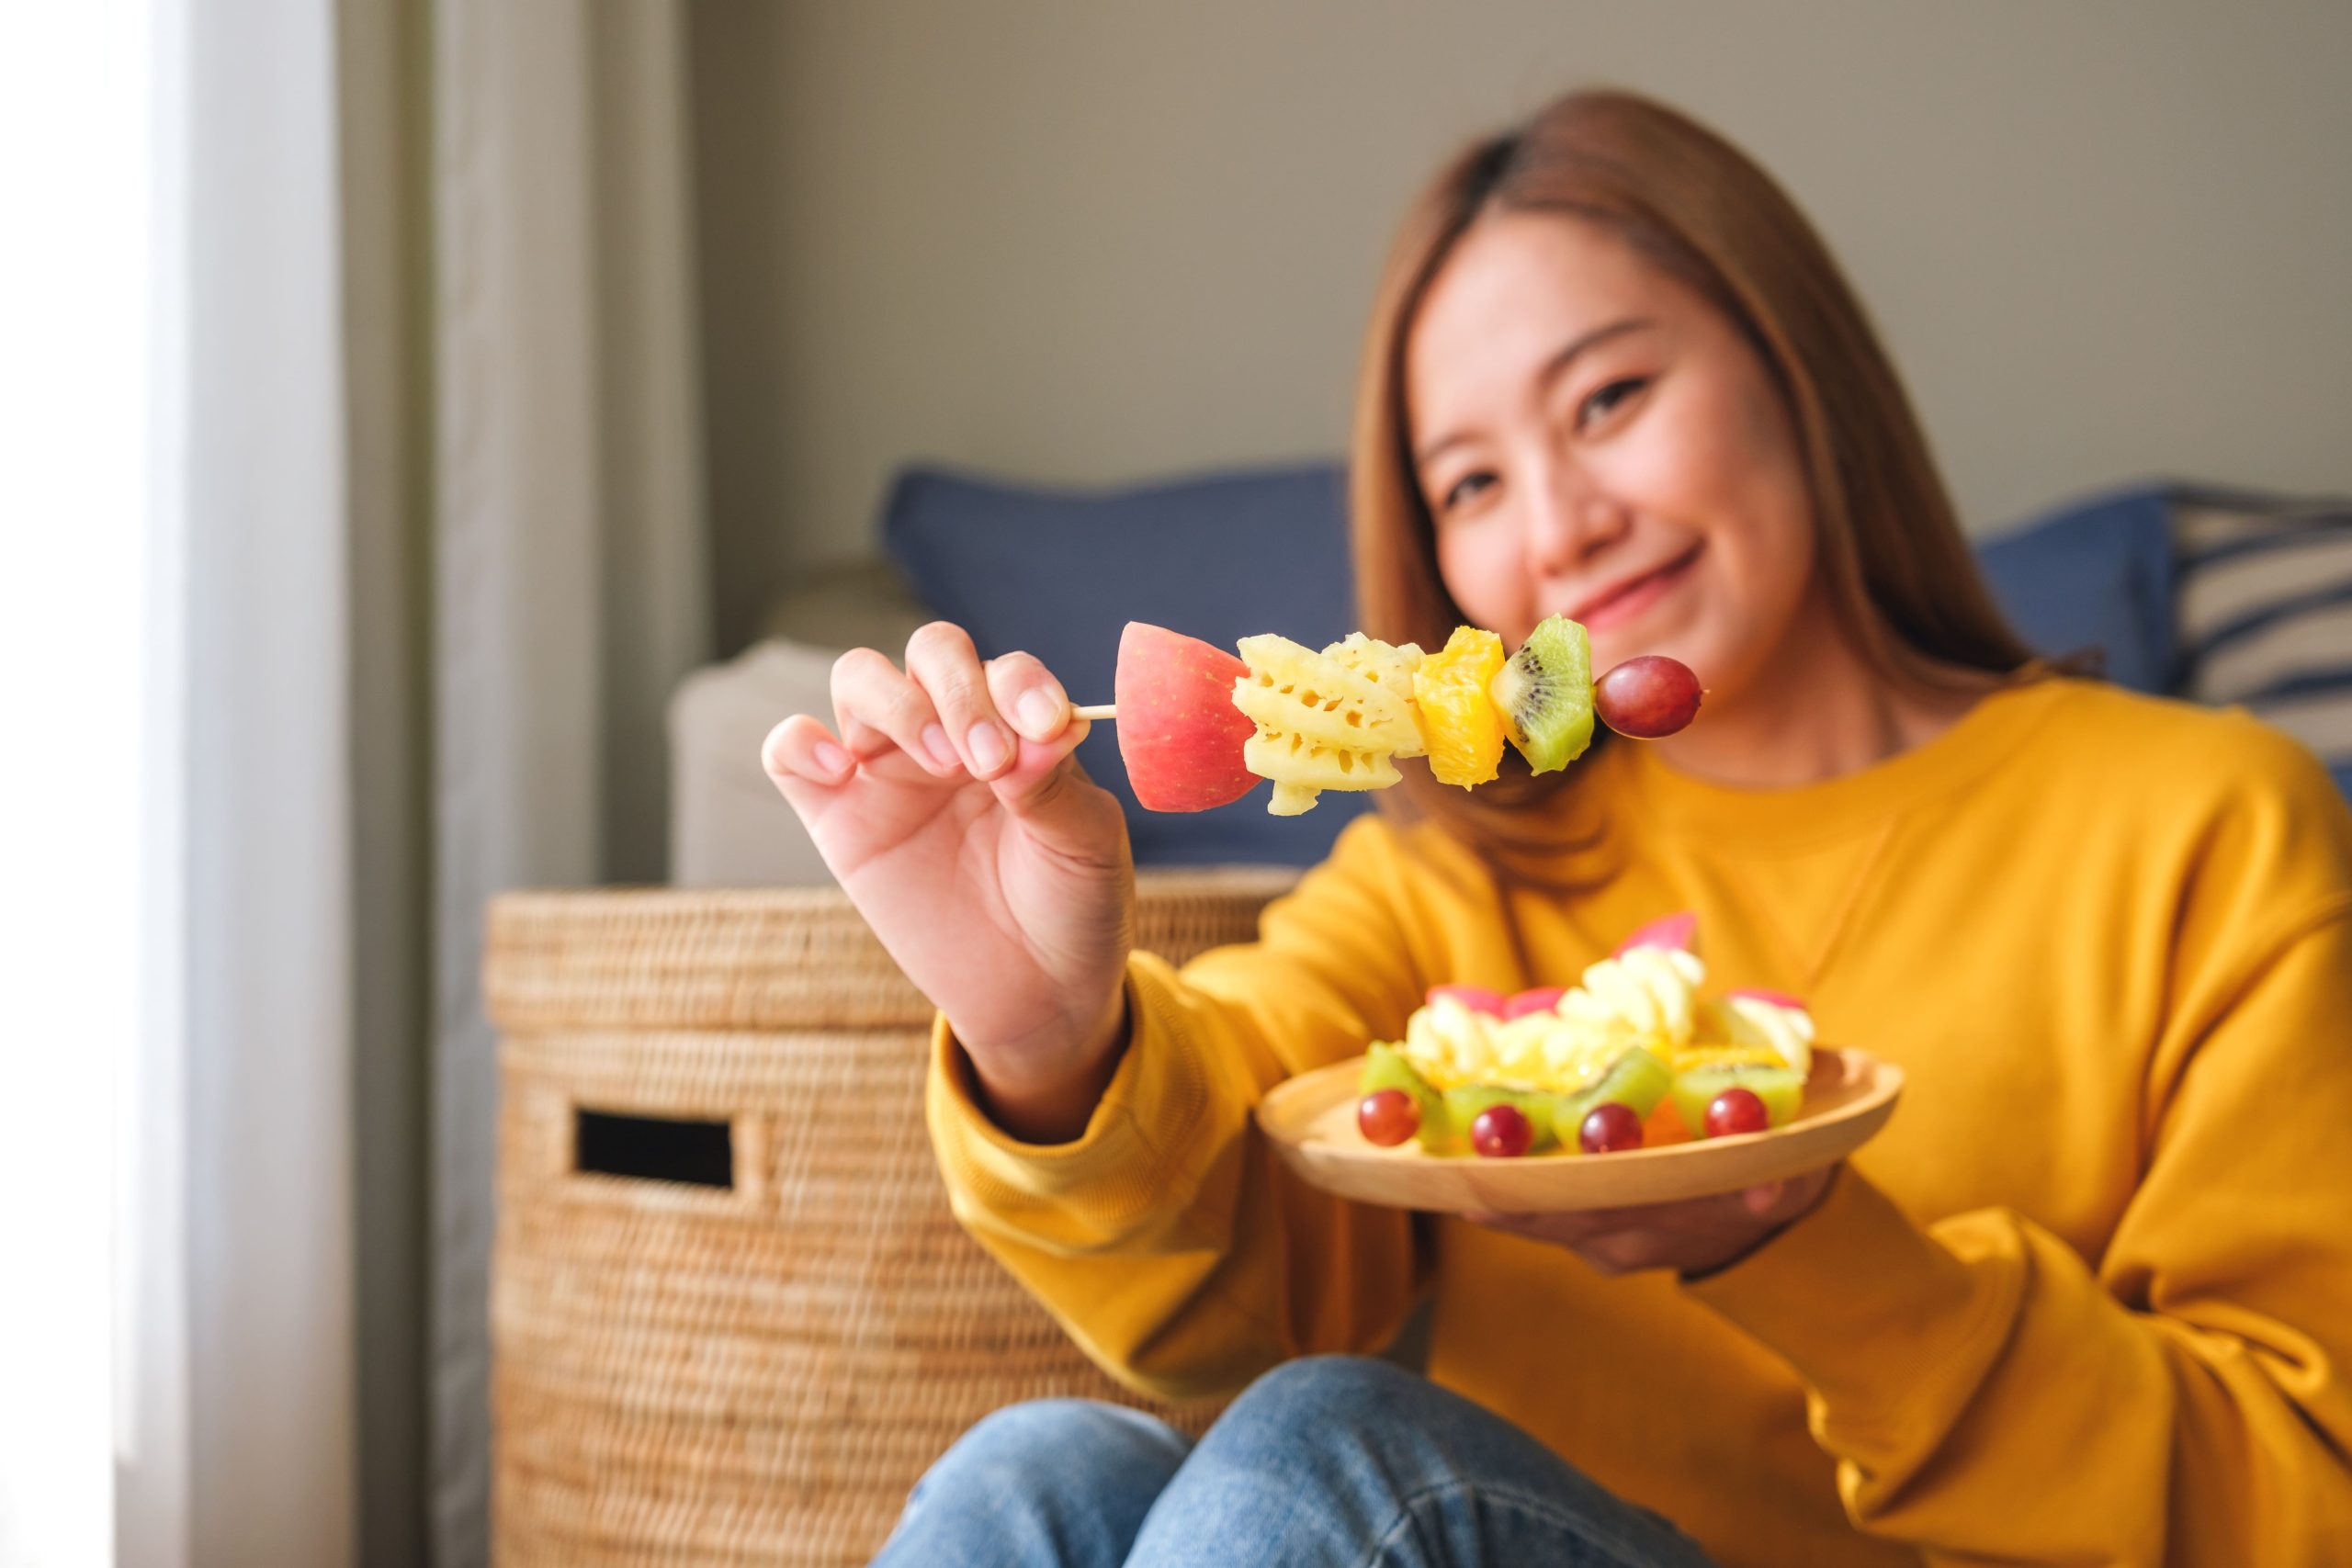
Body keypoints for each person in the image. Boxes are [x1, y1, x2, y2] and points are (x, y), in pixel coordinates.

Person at [761, 89, 2352, 1567]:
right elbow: (1237, 1257)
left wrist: (1816, 1251)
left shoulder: (2210, 826)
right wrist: (1052, 1038)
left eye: (1610, 396)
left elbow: (2302, 1498)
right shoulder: (1457, 869)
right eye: (1469, 486)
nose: (1561, 531)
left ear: (1793, 365)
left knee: (1339, 1451)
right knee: (1032, 1480)